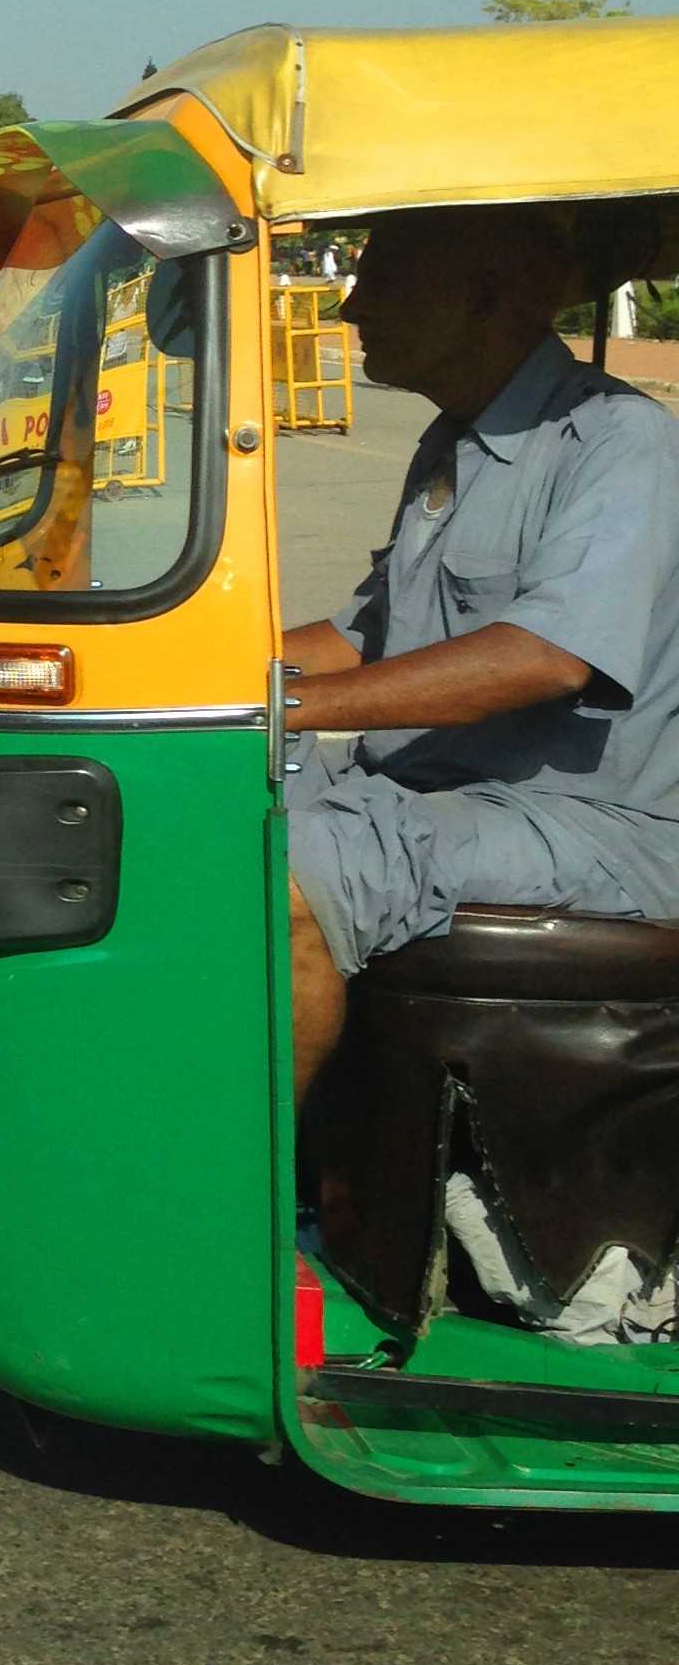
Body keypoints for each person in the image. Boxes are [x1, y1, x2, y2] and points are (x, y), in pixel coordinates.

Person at [283, 207, 679, 1102]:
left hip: (597, 824)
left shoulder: (621, 442)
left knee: (285, 876)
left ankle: (252, 1176)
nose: (351, 307)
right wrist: (172, 670)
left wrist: (284, 705)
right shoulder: (451, 440)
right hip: (449, 790)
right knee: (212, 807)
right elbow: (364, 634)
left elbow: (548, 656)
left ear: (482, 299)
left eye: (383, 282)